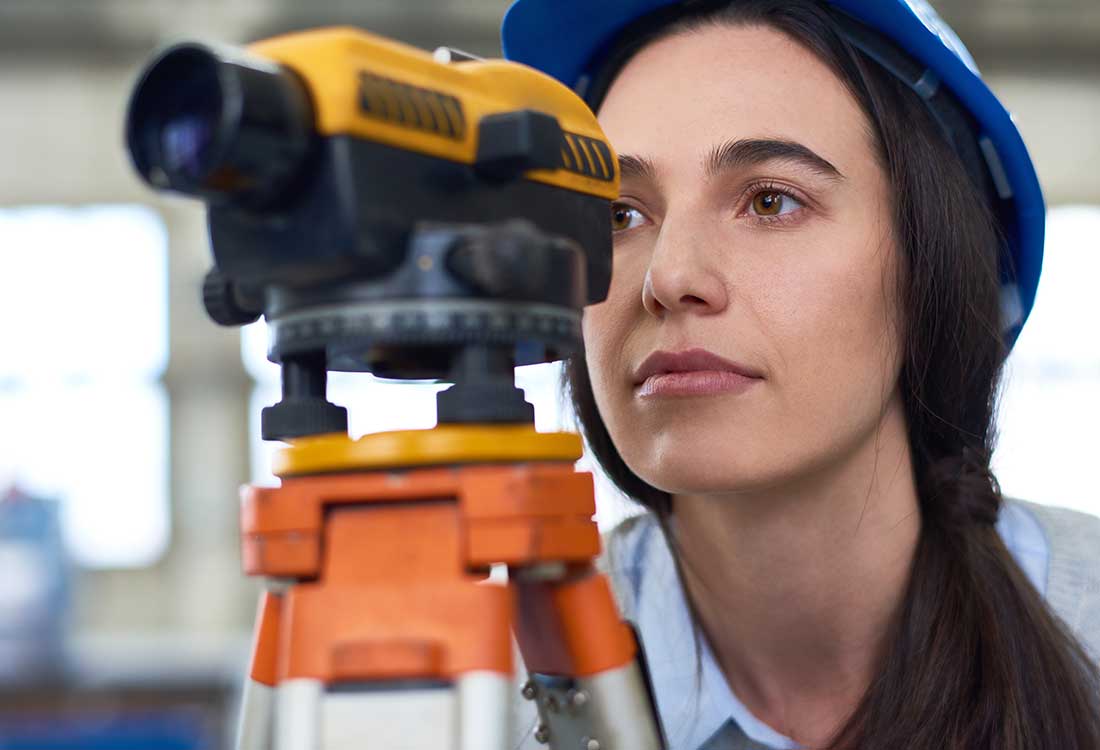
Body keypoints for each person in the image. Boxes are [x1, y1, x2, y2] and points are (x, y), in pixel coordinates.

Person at [501, 1, 1100, 748]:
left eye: (769, 201)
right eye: (618, 215)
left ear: (929, 270)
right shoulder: (481, 687)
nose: (670, 275)